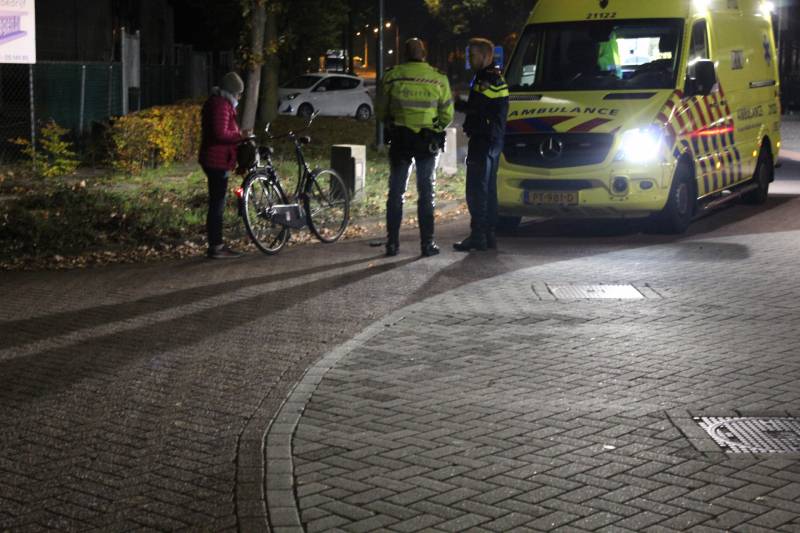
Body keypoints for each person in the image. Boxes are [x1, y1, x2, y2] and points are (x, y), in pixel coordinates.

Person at [377, 38, 454, 257]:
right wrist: (434, 128)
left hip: (401, 140)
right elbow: (447, 114)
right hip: (426, 143)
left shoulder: (392, 76)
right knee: (426, 191)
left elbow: (380, 110)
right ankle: (427, 244)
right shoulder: (438, 79)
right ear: (424, 53)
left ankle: (392, 244)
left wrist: (392, 124)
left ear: (404, 54)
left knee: (396, 193)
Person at [454, 38, 509, 252]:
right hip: (493, 139)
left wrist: (458, 103)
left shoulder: (486, 79)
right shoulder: (493, 76)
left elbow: (476, 107)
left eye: (473, 55)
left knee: (476, 188)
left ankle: (478, 236)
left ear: (486, 56)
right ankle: (488, 235)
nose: (469, 59)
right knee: (488, 189)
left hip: (484, 139)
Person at [198, 72, 249, 259]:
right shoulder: (221, 106)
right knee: (217, 205)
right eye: (239, 94)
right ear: (231, 92)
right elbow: (220, 133)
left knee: (217, 203)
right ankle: (216, 246)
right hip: (216, 161)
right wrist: (240, 136)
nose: (240, 98)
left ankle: (216, 244)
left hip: (217, 159)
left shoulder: (219, 103)